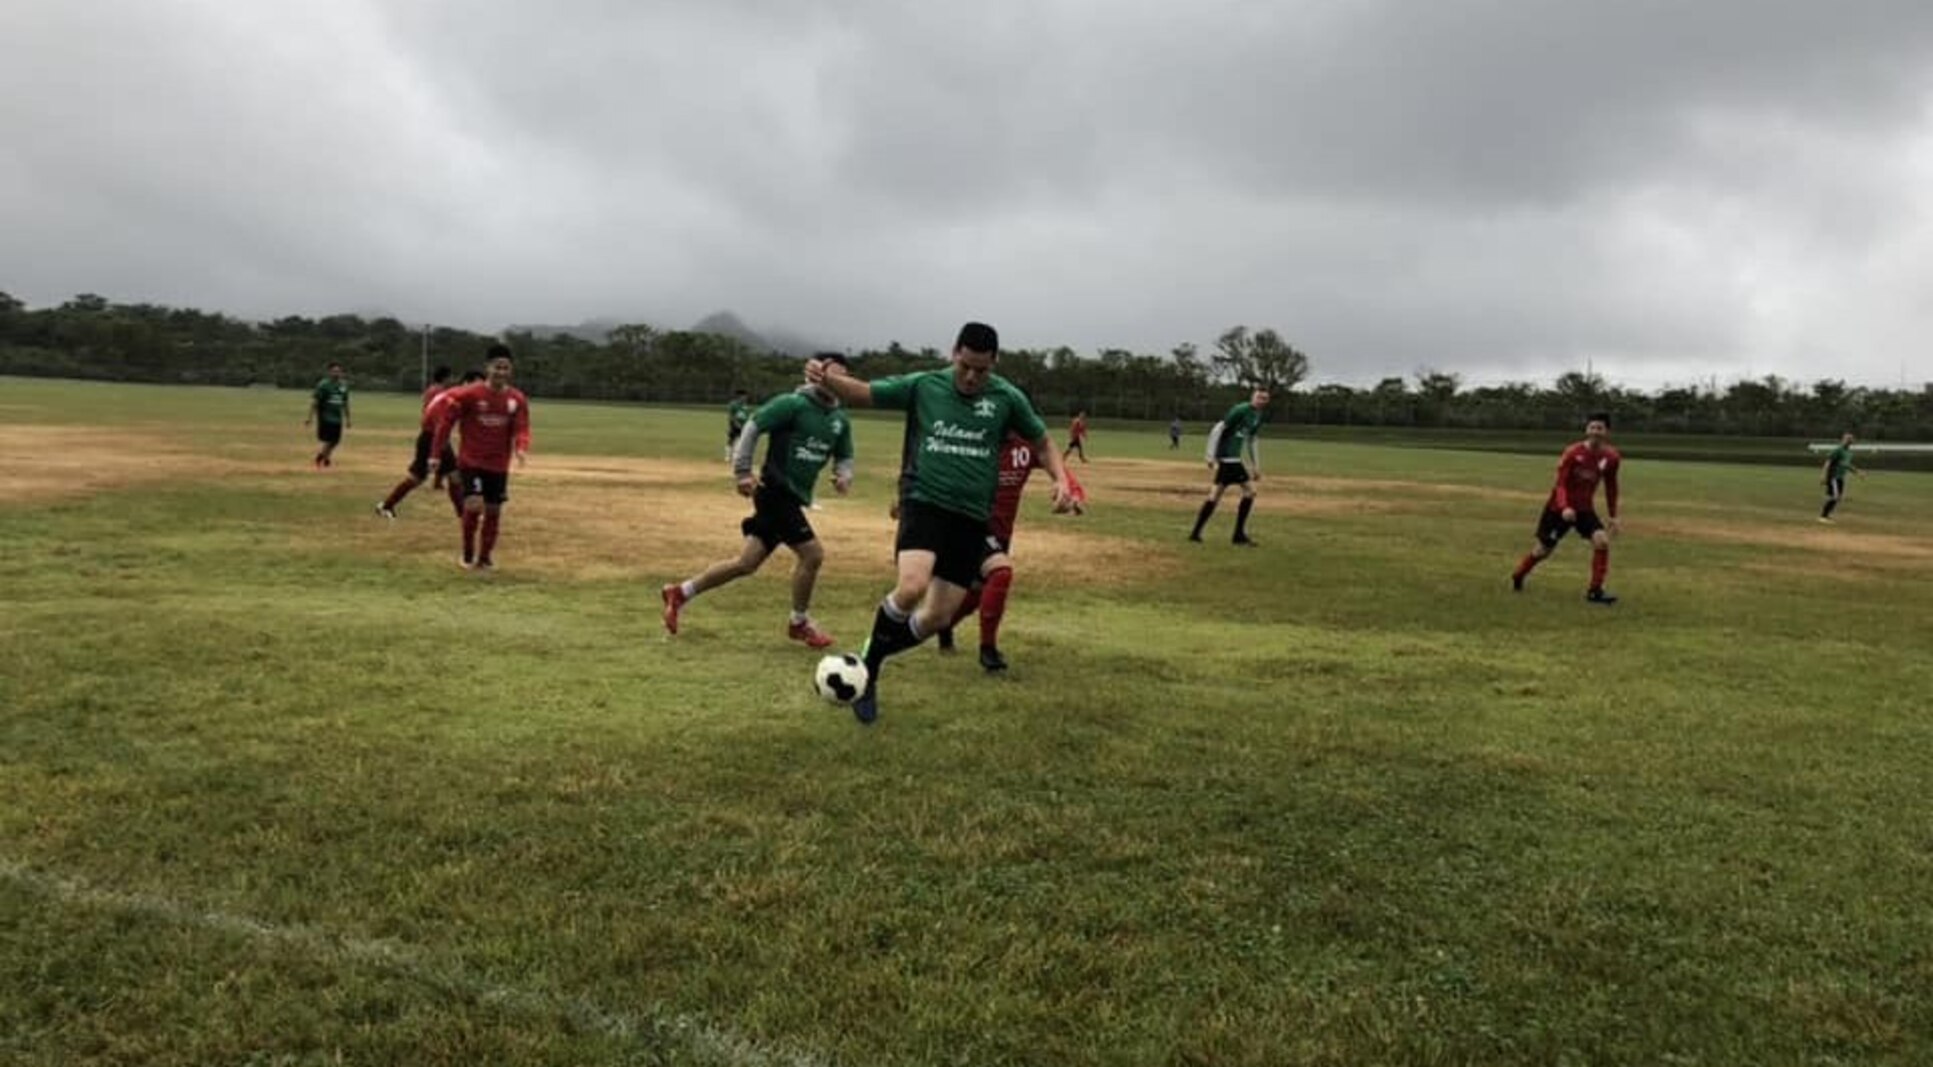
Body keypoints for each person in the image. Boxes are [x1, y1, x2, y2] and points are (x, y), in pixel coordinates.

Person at [805, 321, 1074, 724]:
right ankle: (871, 675)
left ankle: (869, 658)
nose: (971, 377)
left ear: (994, 364)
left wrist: (1061, 479)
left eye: (981, 370)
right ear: (954, 353)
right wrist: (826, 378)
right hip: (924, 501)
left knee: (937, 617)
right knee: (912, 585)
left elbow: (1042, 440)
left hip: (971, 517)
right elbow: (864, 393)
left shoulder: (1007, 398)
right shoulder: (925, 385)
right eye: (965, 366)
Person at [662, 355, 857, 647]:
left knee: (746, 563)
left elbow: (845, 455)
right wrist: (742, 470)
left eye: (841, 378)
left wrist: (843, 475)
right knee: (812, 555)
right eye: (829, 375)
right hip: (775, 492)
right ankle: (799, 622)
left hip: (792, 498)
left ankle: (681, 592)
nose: (833, 383)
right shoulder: (792, 404)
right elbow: (753, 426)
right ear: (817, 376)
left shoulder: (840, 420)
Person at [932, 430, 1087, 672]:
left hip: (1001, 532)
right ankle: (988, 650)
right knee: (1001, 573)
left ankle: (944, 624)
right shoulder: (974, 439)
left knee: (976, 591)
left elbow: (1055, 465)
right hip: (969, 524)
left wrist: (1071, 492)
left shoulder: (1024, 445)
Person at [428, 346, 531, 571]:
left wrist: (521, 447)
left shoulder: (517, 399)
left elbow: (522, 428)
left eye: (505, 368)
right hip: (471, 461)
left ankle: (484, 558)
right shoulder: (469, 395)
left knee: (494, 511)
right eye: (497, 367)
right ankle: (467, 554)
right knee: (474, 505)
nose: (501, 372)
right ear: (488, 368)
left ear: (510, 370)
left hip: (498, 464)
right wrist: (435, 454)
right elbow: (445, 424)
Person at [1511, 413, 1622, 604]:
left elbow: (1611, 486)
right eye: (1592, 427)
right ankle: (1519, 574)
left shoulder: (1611, 457)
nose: (1595, 431)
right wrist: (1564, 507)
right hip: (1558, 509)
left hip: (1584, 509)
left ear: (1607, 432)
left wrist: (1613, 516)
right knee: (1543, 551)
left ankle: (1595, 591)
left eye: (1600, 428)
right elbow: (1560, 483)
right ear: (1587, 430)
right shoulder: (1572, 452)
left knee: (1601, 541)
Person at [377, 368, 482, 519]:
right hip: (433, 438)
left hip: (431, 437)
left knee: (418, 478)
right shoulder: (453, 398)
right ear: (466, 383)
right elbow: (439, 423)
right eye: (477, 386)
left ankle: (386, 506)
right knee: (453, 476)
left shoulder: (455, 394)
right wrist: (436, 452)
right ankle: (463, 514)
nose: (479, 391)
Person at [1189, 388, 1270, 545]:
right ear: (1253, 397)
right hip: (1229, 458)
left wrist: (1255, 465)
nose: (1262, 401)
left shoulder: (1257, 416)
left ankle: (1195, 533)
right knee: (1250, 492)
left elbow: (1252, 440)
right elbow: (1218, 428)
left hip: (1231, 459)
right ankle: (1238, 535)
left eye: (1265, 399)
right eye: (1259, 397)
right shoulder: (1241, 409)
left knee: (1215, 495)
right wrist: (1210, 455)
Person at [304, 362, 351, 468]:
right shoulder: (323, 385)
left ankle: (323, 456)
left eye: (339, 371)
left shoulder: (343, 385)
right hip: (326, 417)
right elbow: (315, 402)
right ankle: (324, 459)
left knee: (336, 441)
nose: (337, 373)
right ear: (329, 372)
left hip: (337, 418)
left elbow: (345, 403)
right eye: (334, 371)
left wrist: (348, 419)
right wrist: (310, 418)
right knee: (330, 439)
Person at [1819, 431, 1864, 523]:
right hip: (1833, 476)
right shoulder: (1838, 450)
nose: (1849, 440)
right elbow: (1828, 461)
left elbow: (1847, 465)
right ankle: (1823, 516)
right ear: (1843, 440)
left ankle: (1827, 515)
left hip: (1840, 477)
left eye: (1850, 439)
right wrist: (1823, 475)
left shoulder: (1849, 453)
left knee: (1838, 497)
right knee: (1834, 496)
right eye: (1847, 439)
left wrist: (1857, 472)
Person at [726, 389, 752, 461]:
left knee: (740, 440)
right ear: (739, 396)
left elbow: (747, 416)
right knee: (731, 439)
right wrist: (735, 423)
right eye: (744, 396)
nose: (745, 398)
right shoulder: (733, 404)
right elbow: (731, 415)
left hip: (743, 425)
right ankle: (728, 455)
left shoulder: (745, 406)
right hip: (734, 425)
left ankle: (736, 455)